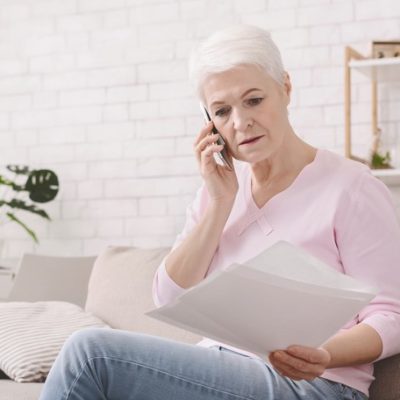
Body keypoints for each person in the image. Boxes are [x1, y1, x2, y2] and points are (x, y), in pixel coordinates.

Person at [39, 25, 400, 400]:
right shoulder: (218, 191)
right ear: (209, 123)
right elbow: (168, 296)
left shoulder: (352, 187)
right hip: (224, 370)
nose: (240, 122)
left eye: (254, 100)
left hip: (315, 385)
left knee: (91, 354)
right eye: (222, 111)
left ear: (286, 88)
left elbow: (392, 316)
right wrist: (220, 204)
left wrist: (323, 354)